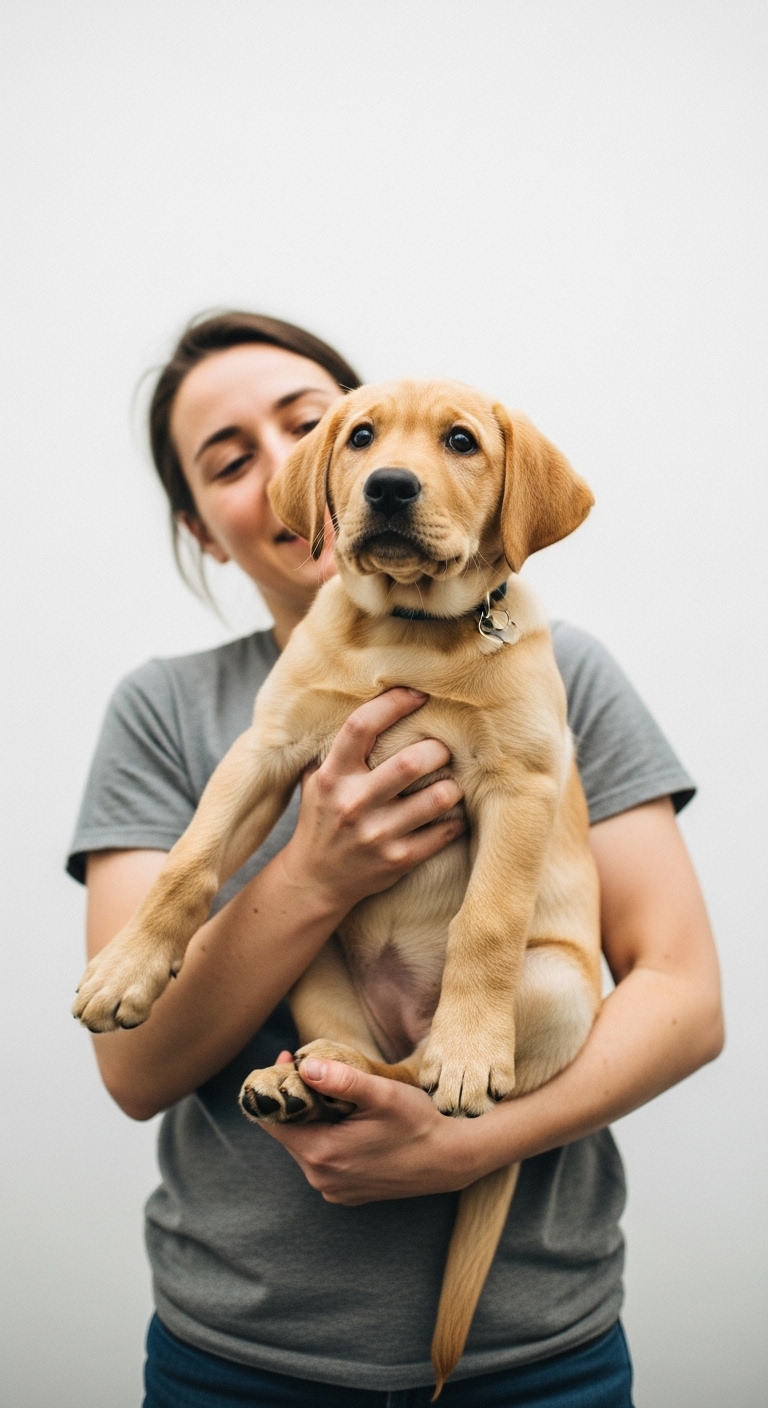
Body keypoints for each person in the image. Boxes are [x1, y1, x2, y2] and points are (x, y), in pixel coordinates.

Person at [68, 311, 724, 1408]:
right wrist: (314, 869)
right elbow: (132, 1071)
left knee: (545, 983)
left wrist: (471, 1143)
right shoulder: (164, 709)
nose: (385, 470)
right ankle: (346, 1071)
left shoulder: (562, 663)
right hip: (239, 1347)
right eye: (234, 460)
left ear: (502, 490)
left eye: (315, 422)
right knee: (312, 940)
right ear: (208, 526)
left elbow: (688, 999)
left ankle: (417, 1088)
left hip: (541, 1342)